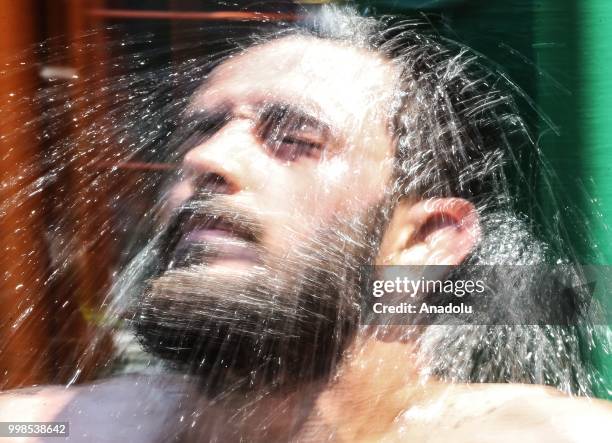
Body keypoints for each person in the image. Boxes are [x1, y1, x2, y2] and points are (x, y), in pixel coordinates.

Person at [1, 6, 611, 442]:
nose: (204, 160)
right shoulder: (46, 430)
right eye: (200, 132)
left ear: (426, 239)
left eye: (295, 139)